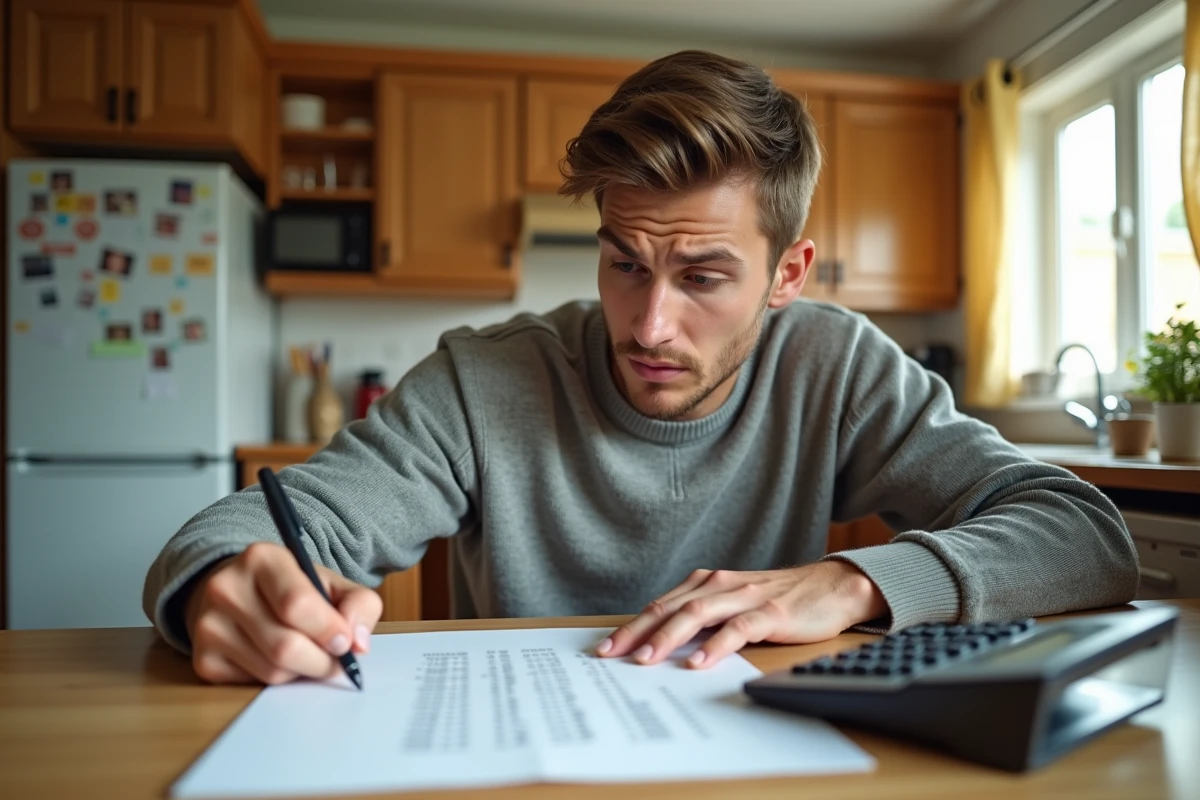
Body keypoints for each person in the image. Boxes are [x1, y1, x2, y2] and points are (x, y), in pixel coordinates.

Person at [143, 50, 1137, 687]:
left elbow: (1085, 532)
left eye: (703, 276)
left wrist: (856, 582)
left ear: (788, 274)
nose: (650, 323)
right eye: (625, 263)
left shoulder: (836, 367)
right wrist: (221, 585)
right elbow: (239, 530)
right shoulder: (484, 381)